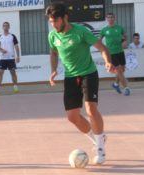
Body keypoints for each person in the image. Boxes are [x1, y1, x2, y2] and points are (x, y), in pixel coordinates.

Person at [46, 2, 115, 165]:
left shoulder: (81, 31)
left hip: (88, 74)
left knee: (91, 109)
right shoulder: (53, 36)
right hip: (71, 78)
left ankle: (100, 149)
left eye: (55, 21)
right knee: (72, 116)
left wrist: (108, 62)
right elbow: (53, 52)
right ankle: (98, 138)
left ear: (65, 18)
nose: (53, 25)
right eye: (50, 22)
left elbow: (103, 48)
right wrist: (54, 69)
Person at [101, 12, 131, 96]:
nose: (110, 19)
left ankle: (115, 84)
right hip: (111, 53)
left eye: (112, 17)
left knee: (122, 70)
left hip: (120, 52)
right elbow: (99, 41)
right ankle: (126, 88)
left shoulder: (119, 28)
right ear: (107, 19)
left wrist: (125, 41)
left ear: (114, 18)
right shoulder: (104, 30)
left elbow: (125, 36)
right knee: (119, 71)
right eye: (109, 17)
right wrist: (103, 50)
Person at [0, 22, 20, 93]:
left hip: (11, 58)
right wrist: (2, 50)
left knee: (13, 73)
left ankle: (15, 87)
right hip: (2, 58)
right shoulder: (0, 37)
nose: (5, 27)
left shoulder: (12, 36)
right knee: (0, 73)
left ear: (9, 27)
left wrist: (18, 56)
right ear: (2, 27)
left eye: (7, 26)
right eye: (4, 26)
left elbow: (16, 46)